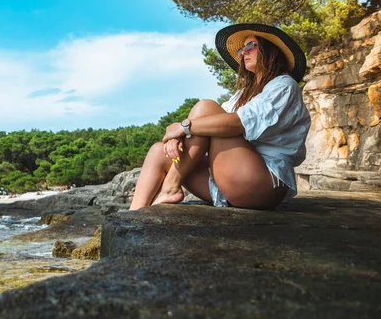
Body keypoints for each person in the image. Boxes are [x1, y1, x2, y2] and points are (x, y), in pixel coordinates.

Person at [130, 23, 311, 210]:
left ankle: (170, 187)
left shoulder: (284, 85)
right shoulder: (242, 94)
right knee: (159, 151)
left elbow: (237, 123)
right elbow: (208, 126)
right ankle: (132, 217)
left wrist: (183, 127)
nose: (243, 53)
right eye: (242, 49)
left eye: (250, 46)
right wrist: (178, 136)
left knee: (205, 108)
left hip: (261, 182)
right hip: (229, 179)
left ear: (270, 50)